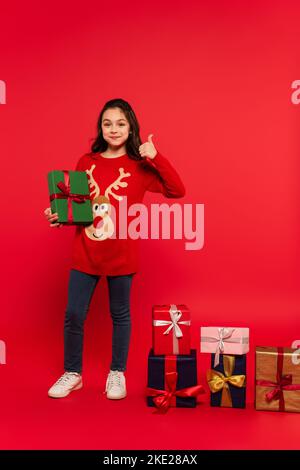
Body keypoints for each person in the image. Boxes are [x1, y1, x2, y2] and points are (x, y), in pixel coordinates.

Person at [44, 98, 185, 400]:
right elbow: (81, 208)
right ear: (100, 128)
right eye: (107, 123)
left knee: (120, 314)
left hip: (122, 255)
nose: (114, 129)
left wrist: (156, 156)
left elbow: (177, 190)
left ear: (131, 126)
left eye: (121, 123)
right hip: (86, 252)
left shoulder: (141, 166)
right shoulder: (87, 162)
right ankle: (73, 373)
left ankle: (116, 373)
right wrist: (61, 217)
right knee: (73, 314)